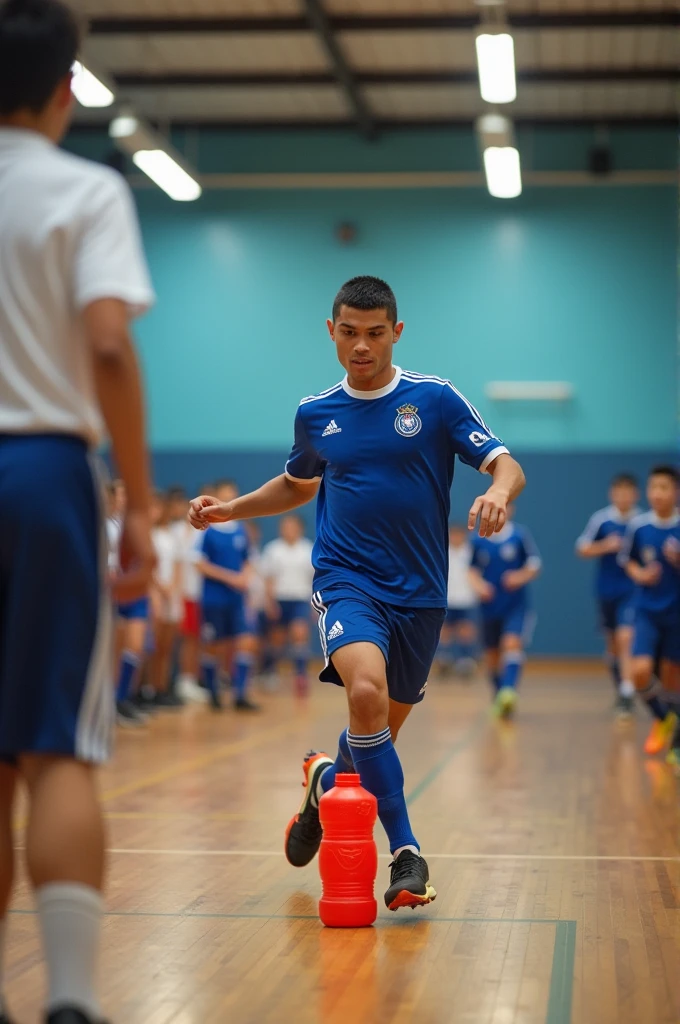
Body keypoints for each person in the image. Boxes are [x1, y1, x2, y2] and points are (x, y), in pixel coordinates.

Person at [189, 276, 525, 911]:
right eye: (350, 333)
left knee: (375, 733)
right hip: (346, 581)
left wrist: (499, 491)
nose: (362, 346)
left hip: (422, 594)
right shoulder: (316, 413)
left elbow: (506, 463)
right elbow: (296, 484)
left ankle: (325, 779)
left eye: (375, 334)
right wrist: (230, 509)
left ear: (396, 332)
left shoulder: (435, 400)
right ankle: (407, 853)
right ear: (331, 331)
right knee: (364, 690)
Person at [0, 1, 155, 1021]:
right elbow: (105, 344)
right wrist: (137, 504)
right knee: (56, 741)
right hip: (42, 471)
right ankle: (69, 1000)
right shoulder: (85, 190)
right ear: (67, 89)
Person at [619, 466, 680, 760]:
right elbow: (629, 561)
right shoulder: (639, 527)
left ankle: (676, 740)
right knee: (640, 671)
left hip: (676, 613)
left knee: (672, 677)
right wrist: (640, 575)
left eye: (665, 488)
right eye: (653, 487)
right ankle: (662, 717)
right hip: (647, 610)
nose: (657, 494)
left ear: (676, 492)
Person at [576, 474, 639, 716]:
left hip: (631, 591)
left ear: (636, 495)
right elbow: (581, 548)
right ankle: (622, 689)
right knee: (612, 645)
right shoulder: (602, 520)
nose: (623, 496)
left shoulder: (640, 522)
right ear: (612, 494)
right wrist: (605, 546)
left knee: (626, 638)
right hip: (606, 591)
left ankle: (627, 690)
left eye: (628, 491)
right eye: (619, 491)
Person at [468, 506, 541, 718]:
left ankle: (509, 690)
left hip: (515, 605)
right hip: (489, 607)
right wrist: (479, 586)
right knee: (491, 655)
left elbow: (534, 565)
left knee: (511, 643)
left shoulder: (519, 536)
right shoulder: (478, 539)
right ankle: (499, 693)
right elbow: (471, 571)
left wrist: (519, 577)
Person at [196, 480, 260, 712]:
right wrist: (230, 577)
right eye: (224, 495)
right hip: (214, 597)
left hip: (237, 599)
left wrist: (244, 577)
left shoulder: (241, 528)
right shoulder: (208, 530)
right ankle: (213, 692)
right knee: (215, 645)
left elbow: (248, 559)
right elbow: (200, 564)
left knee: (246, 640)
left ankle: (240, 694)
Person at [261, 514, 315, 696]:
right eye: (285, 526)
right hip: (279, 599)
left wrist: (316, 605)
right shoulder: (273, 550)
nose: (288, 530)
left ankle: (300, 675)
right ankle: (270, 670)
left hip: (300, 599)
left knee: (300, 634)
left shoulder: (308, 549)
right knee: (277, 639)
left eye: (292, 526)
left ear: (300, 528)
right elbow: (268, 578)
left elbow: (315, 578)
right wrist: (269, 602)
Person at [176, 484, 213, 704]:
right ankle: (184, 680)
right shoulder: (179, 532)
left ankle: (193, 679)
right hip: (186, 592)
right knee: (187, 639)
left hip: (202, 593)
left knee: (198, 638)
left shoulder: (210, 531)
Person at [149, 491, 183, 708]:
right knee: (153, 643)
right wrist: (160, 588)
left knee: (167, 647)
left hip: (172, 594)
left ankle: (162, 688)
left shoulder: (172, 534)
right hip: (155, 591)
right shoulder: (148, 534)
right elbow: (147, 564)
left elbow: (178, 564)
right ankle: (148, 688)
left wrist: (173, 588)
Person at [438, 523, 478, 676]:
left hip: (466, 599)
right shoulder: (443, 552)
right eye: (453, 535)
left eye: (459, 535)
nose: (456, 538)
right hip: (448, 598)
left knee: (466, 630)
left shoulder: (470, 553)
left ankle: (465, 660)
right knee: (445, 630)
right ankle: (444, 658)